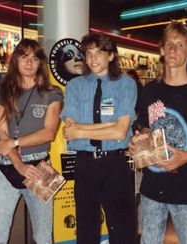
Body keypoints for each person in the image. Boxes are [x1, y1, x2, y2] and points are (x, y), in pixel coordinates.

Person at [130, 21, 187, 244]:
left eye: (181, 45)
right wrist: (139, 143)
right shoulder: (150, 91)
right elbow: (144, 126)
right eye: (169, 44)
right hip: (153, 187)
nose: (173, 49)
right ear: (161, 50)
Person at [0, 38, 63, 244]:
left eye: (34, 58)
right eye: (24, 56)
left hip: (42, 167)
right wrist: (19, 164)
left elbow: (49, 133)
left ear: (40, 64)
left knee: (44, 237)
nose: (29, 62)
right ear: (15, 60)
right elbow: (2, 136)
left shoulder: (52, 93)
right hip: (8, 166)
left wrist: (14, 142)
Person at [61, 32, 137, 244]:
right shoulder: (74, 86)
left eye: (99, 52)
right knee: (86, 227)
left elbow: (120, 132)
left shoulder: (126, 84)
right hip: (85, 163)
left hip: (115, 162)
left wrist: (81, 131)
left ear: (111, 55)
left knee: (122, 226)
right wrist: (109, 126)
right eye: (89, 53)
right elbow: (69, 128)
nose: (93, 58)